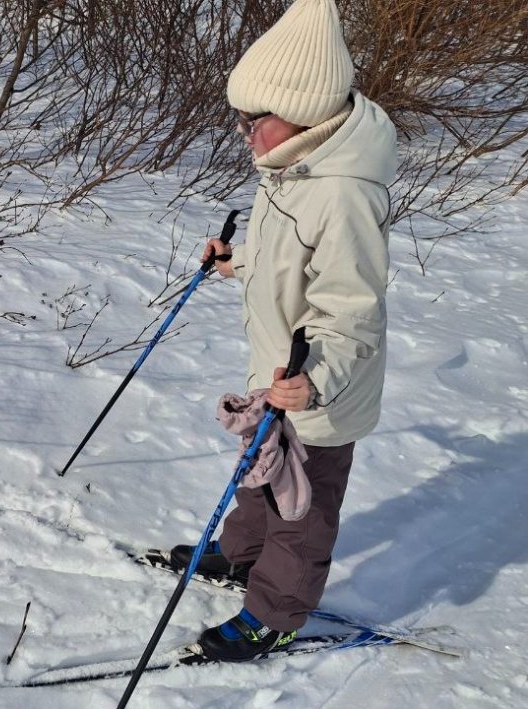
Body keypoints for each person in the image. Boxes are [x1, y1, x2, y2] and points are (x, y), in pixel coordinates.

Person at [170, 0, 398, 662]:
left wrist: (315, 380)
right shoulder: (288, 169)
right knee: (258, 472)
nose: (242, 132)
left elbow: (352, 309)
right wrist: (233, 264)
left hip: (321, 386)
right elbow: (286, 265)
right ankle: (240, 554)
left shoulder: (342, 191)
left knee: (300, 508)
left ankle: (277, 610)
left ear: (300, 112)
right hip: (279, 372)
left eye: (251, 120)